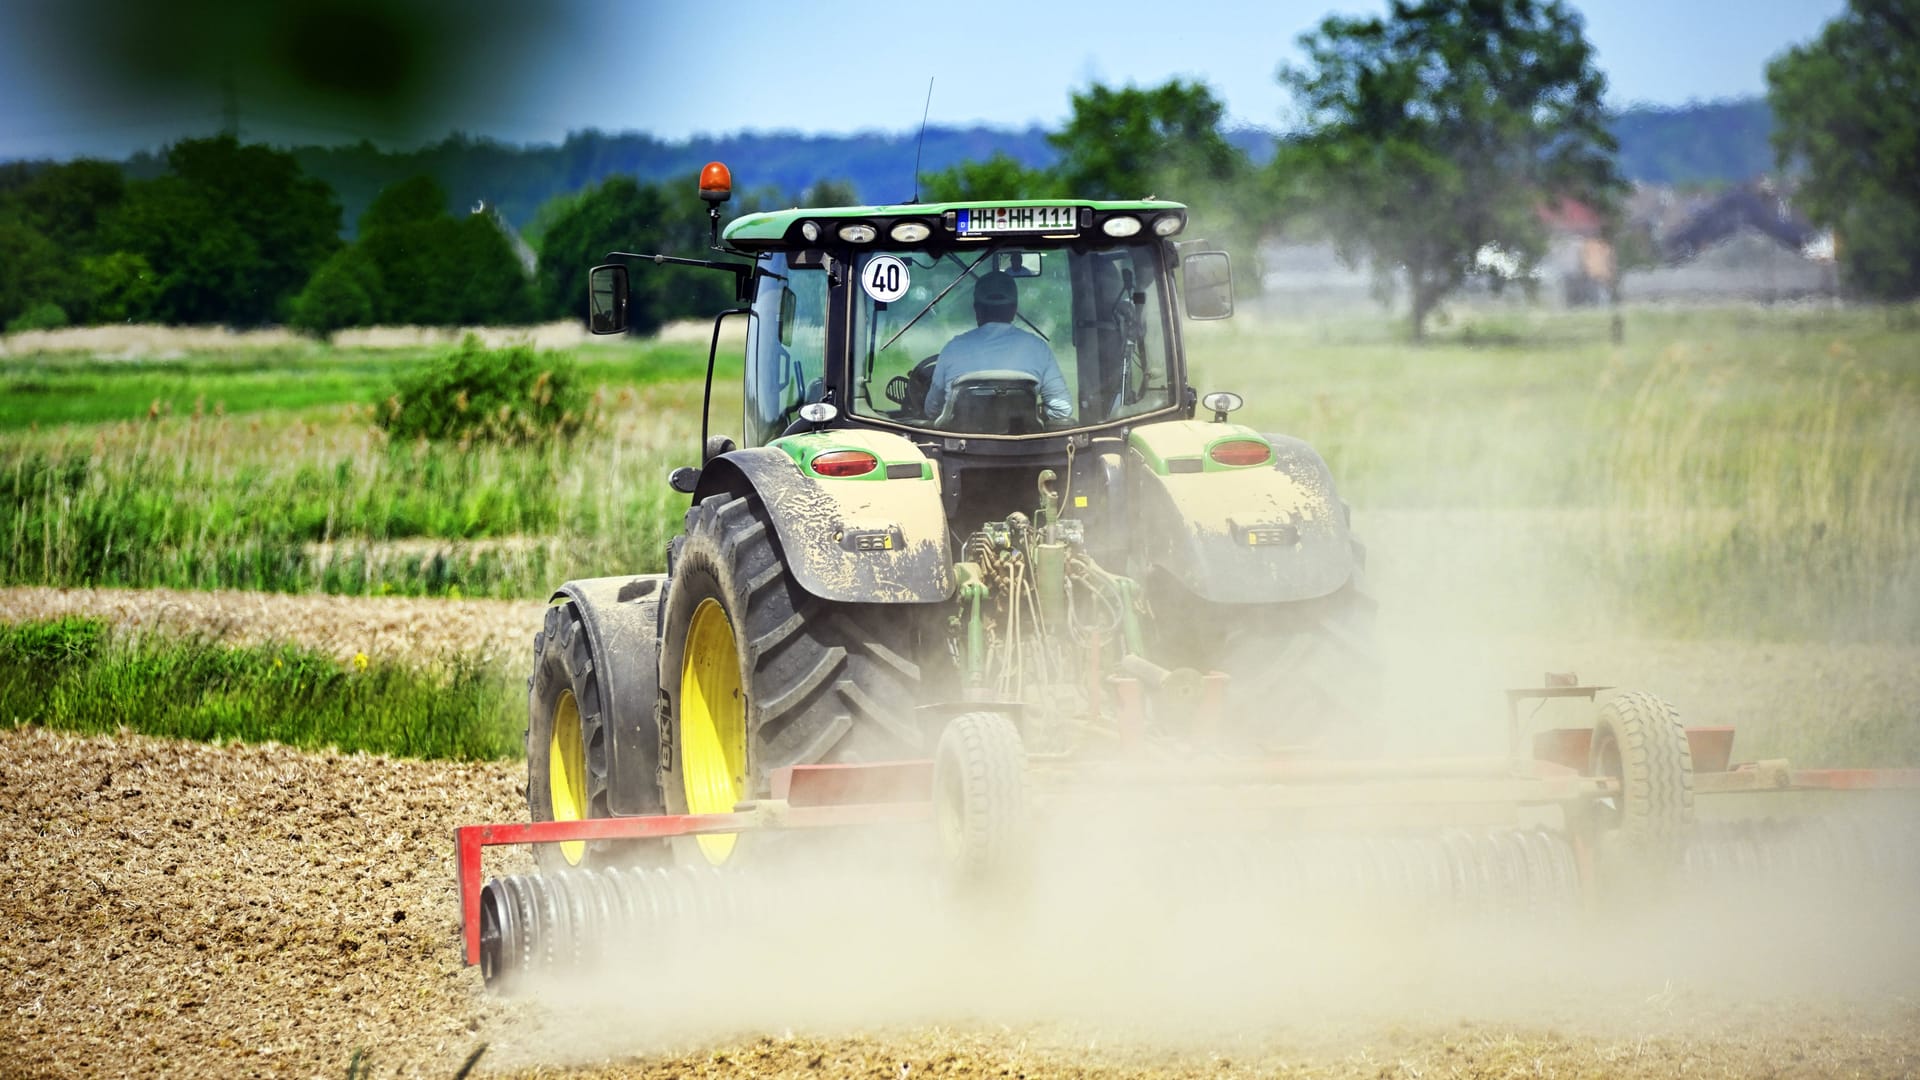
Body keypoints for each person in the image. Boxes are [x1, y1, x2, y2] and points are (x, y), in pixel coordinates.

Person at [926, 270, 1071, 423]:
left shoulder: (952, 349)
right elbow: (1063, 409)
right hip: (1024, 445)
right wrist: (1032, 414)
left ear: (977, 308)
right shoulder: (1039, 348)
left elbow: (932, 410)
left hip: (962, 445)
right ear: (1014, 309)